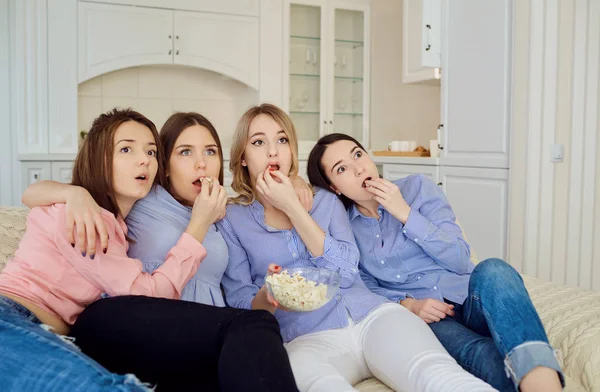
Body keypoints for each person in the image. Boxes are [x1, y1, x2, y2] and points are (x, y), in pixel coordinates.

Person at [219, 103, 496, 392]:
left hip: (375, 316)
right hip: (306, 337)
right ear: (243, 158)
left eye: (282, 140)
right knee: (318, 384)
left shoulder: (326, 201)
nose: (273, 151)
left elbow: (347, 271)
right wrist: (268, 296)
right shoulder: (231, 220)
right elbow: (240, 302)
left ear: (292, 152)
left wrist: (293, 209)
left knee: (436, 374)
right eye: (259, 142)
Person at [20, 110, 299, 392]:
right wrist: (74, 193)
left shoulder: (219, 212)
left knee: (248, 340)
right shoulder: (143, 198)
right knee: (254, 327)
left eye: (210, 152)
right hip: (134, 325)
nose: (201, 164)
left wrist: (297, 184)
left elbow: (240, 290)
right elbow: (37, 193)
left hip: (201, 336)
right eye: (186, 152)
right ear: (164, 166)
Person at [306, 132, 565, 392]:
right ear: (334, 188)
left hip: (469, 297)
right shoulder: (345, 228)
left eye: (358, 154)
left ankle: (544, 382)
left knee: (495, 269)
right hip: (431, 319)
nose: (359, 168)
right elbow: (364, 286)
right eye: (342, 168)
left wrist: (405, 213)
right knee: (479, 353)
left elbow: (461, 259)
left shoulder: (417, 188)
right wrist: (408, 304)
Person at [0, 108, 187, 391]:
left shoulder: (111, 225)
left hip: (40, 330)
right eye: (126, 149)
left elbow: (32, 193)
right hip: (10, 316)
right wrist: (196, 231)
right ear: (100, 160)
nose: (144, 161)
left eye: (151, 152)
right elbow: (149, 294)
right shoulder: (87, 219)